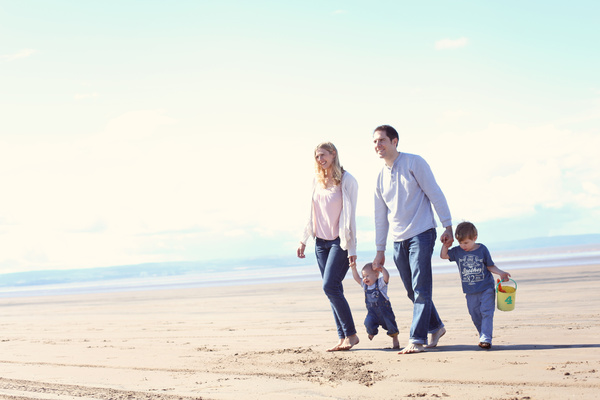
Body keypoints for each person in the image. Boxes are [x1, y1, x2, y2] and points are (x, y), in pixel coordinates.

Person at [372, 124, 453, 354]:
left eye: (382, 140)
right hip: (398, 240)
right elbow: (380, 217)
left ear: (394, 141)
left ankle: (416, 339)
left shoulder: (414, 162)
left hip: (422, 232)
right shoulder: (379, 178)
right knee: (411, 290)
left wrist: (448, 224)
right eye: (375, 142)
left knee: (421, 287)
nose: (378, 145)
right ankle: (435, 326)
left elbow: (434, 192)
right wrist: (380, 250)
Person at [297, 142, 360, 351]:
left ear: (333, 154)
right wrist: (303, 239)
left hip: (338, 242)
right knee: (333, 289)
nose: (320, 159)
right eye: (316, 156)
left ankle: (351, 334)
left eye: (323, 155)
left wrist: (352, 250)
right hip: (320, 243)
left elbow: (350, 219)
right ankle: (342, 337)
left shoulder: (347, 181)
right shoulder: (316, 181)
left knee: (329, 286)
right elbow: (310, 212)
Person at [440, 221, 511, 349]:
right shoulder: (457, 252)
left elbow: (490, 265)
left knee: (486, 312)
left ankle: (486, 338)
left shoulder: (482, 249)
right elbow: (443, 256)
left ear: (475, 238)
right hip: (470, 291)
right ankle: (483, 334)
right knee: (475, 315)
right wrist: (446, 244)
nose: (463, 245)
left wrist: (501, 273)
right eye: (460, 242)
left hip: (486, 288)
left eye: (466, 242)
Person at [350, 262, 400, 349]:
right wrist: (353, 268)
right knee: (368, 322)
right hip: (372, 313)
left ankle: (395, 339)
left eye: (367, 276)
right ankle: (372, 332)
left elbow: (386, 277)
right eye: (364, 276)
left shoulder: (380, 283)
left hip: (385, 312)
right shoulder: (365, 286)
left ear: (376, 275)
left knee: (391, 325)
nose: (365, 279)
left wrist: (382, 269)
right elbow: (357, 278)